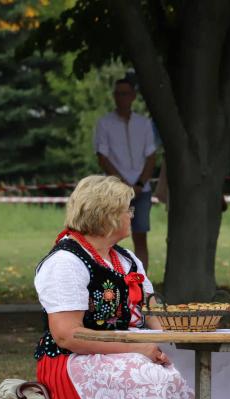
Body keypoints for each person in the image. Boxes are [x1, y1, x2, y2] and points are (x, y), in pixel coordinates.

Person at [34, 175, 193, 399]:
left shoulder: (126, 259)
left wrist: (170, 345)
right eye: (127, 209)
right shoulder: (66, 262)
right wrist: (138, 348)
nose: (132, 215)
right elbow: (67, 335)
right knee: (151, 379)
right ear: (106, 215)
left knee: (193, 373)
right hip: (72, 362)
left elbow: (151, 311)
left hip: (131, 350)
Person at [94, 78, 157, 267]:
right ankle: (112, 278)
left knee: (140, 237)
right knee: (110, 237)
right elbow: (102, 157)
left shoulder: (144, 123)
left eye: (125, 93)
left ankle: (141, 280)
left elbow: (151, 156)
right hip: (115, 191)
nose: (121, 97)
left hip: (141, 190)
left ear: (133, 96)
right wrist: (122, 185)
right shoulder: (104, 123)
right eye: (118, 93)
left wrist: (139, 184)